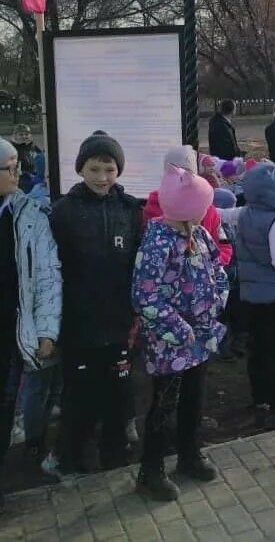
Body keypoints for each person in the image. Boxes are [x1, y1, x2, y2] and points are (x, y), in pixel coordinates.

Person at [45, 133, 142, 479]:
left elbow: (137, 265)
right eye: (94, 169)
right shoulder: (63, 212)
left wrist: (136, 313)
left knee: (118, 396)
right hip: (79, 323)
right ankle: (70, 460)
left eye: (110, 169)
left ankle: (114, 460)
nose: (102, 177)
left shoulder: (130, 211)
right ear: (81, 169)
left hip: (118, 323)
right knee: (80, 399)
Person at [132, 165, 228, 501]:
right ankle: (151, 468)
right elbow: (146, 295)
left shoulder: (198, 235)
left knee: (194, 398)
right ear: (187, 209)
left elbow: (217, 269)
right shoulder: (157, 242)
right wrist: (179, 328)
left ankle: (190, 453)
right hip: (170, 344)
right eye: (202, 205)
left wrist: (217, 299)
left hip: (199, 338)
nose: (206, 211)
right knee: (163, 406)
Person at [219, 162, 275, 430]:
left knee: (257, 349)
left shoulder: (245, 213)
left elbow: (220, 214)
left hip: (251, 295)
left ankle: (261, 397)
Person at [0, 139, 60, 511]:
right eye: (10, 168)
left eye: (17, 165)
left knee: (5, 409)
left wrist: (47, 330)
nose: (18, 173)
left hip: (10, 335)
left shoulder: (29, 215)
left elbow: (47, 277)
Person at [11, 124, 42, 193]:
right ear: (15, 136)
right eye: (21, 134)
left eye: (26, 134)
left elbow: (42, 157)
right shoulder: (12, 149)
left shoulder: (32, 146)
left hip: (35, 178)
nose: (24, 136)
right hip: (22, 182)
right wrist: (27, 175)